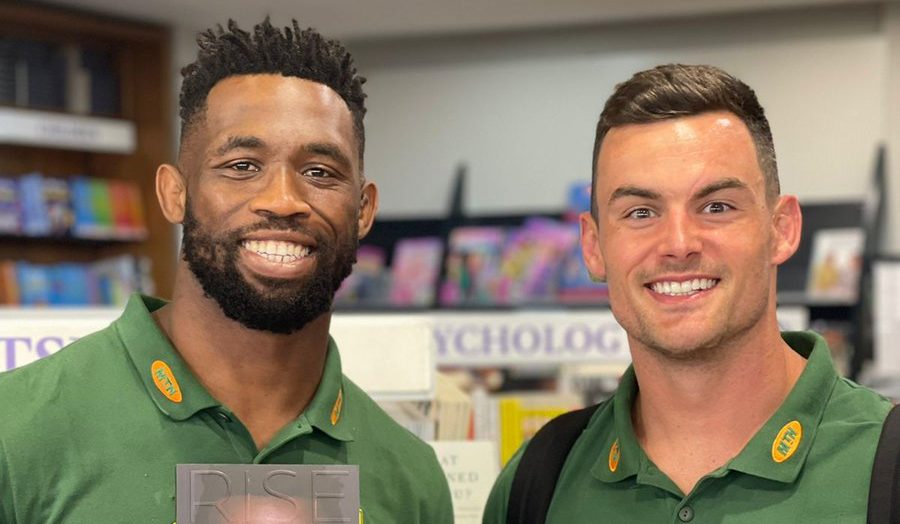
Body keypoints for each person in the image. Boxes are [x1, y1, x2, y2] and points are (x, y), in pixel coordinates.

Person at [0, 19, 452, 523]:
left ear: (364, 209)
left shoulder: (411, 478)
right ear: (175, 193)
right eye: (242, 166)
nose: (283, 200)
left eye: (320, 172)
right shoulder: (15, 431)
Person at [482, 64, 892, 522]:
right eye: (640, 212)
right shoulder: (537, 483)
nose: (678, 244)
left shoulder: (884, 464)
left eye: (716, 207)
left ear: (781, 229)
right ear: (594, 248)